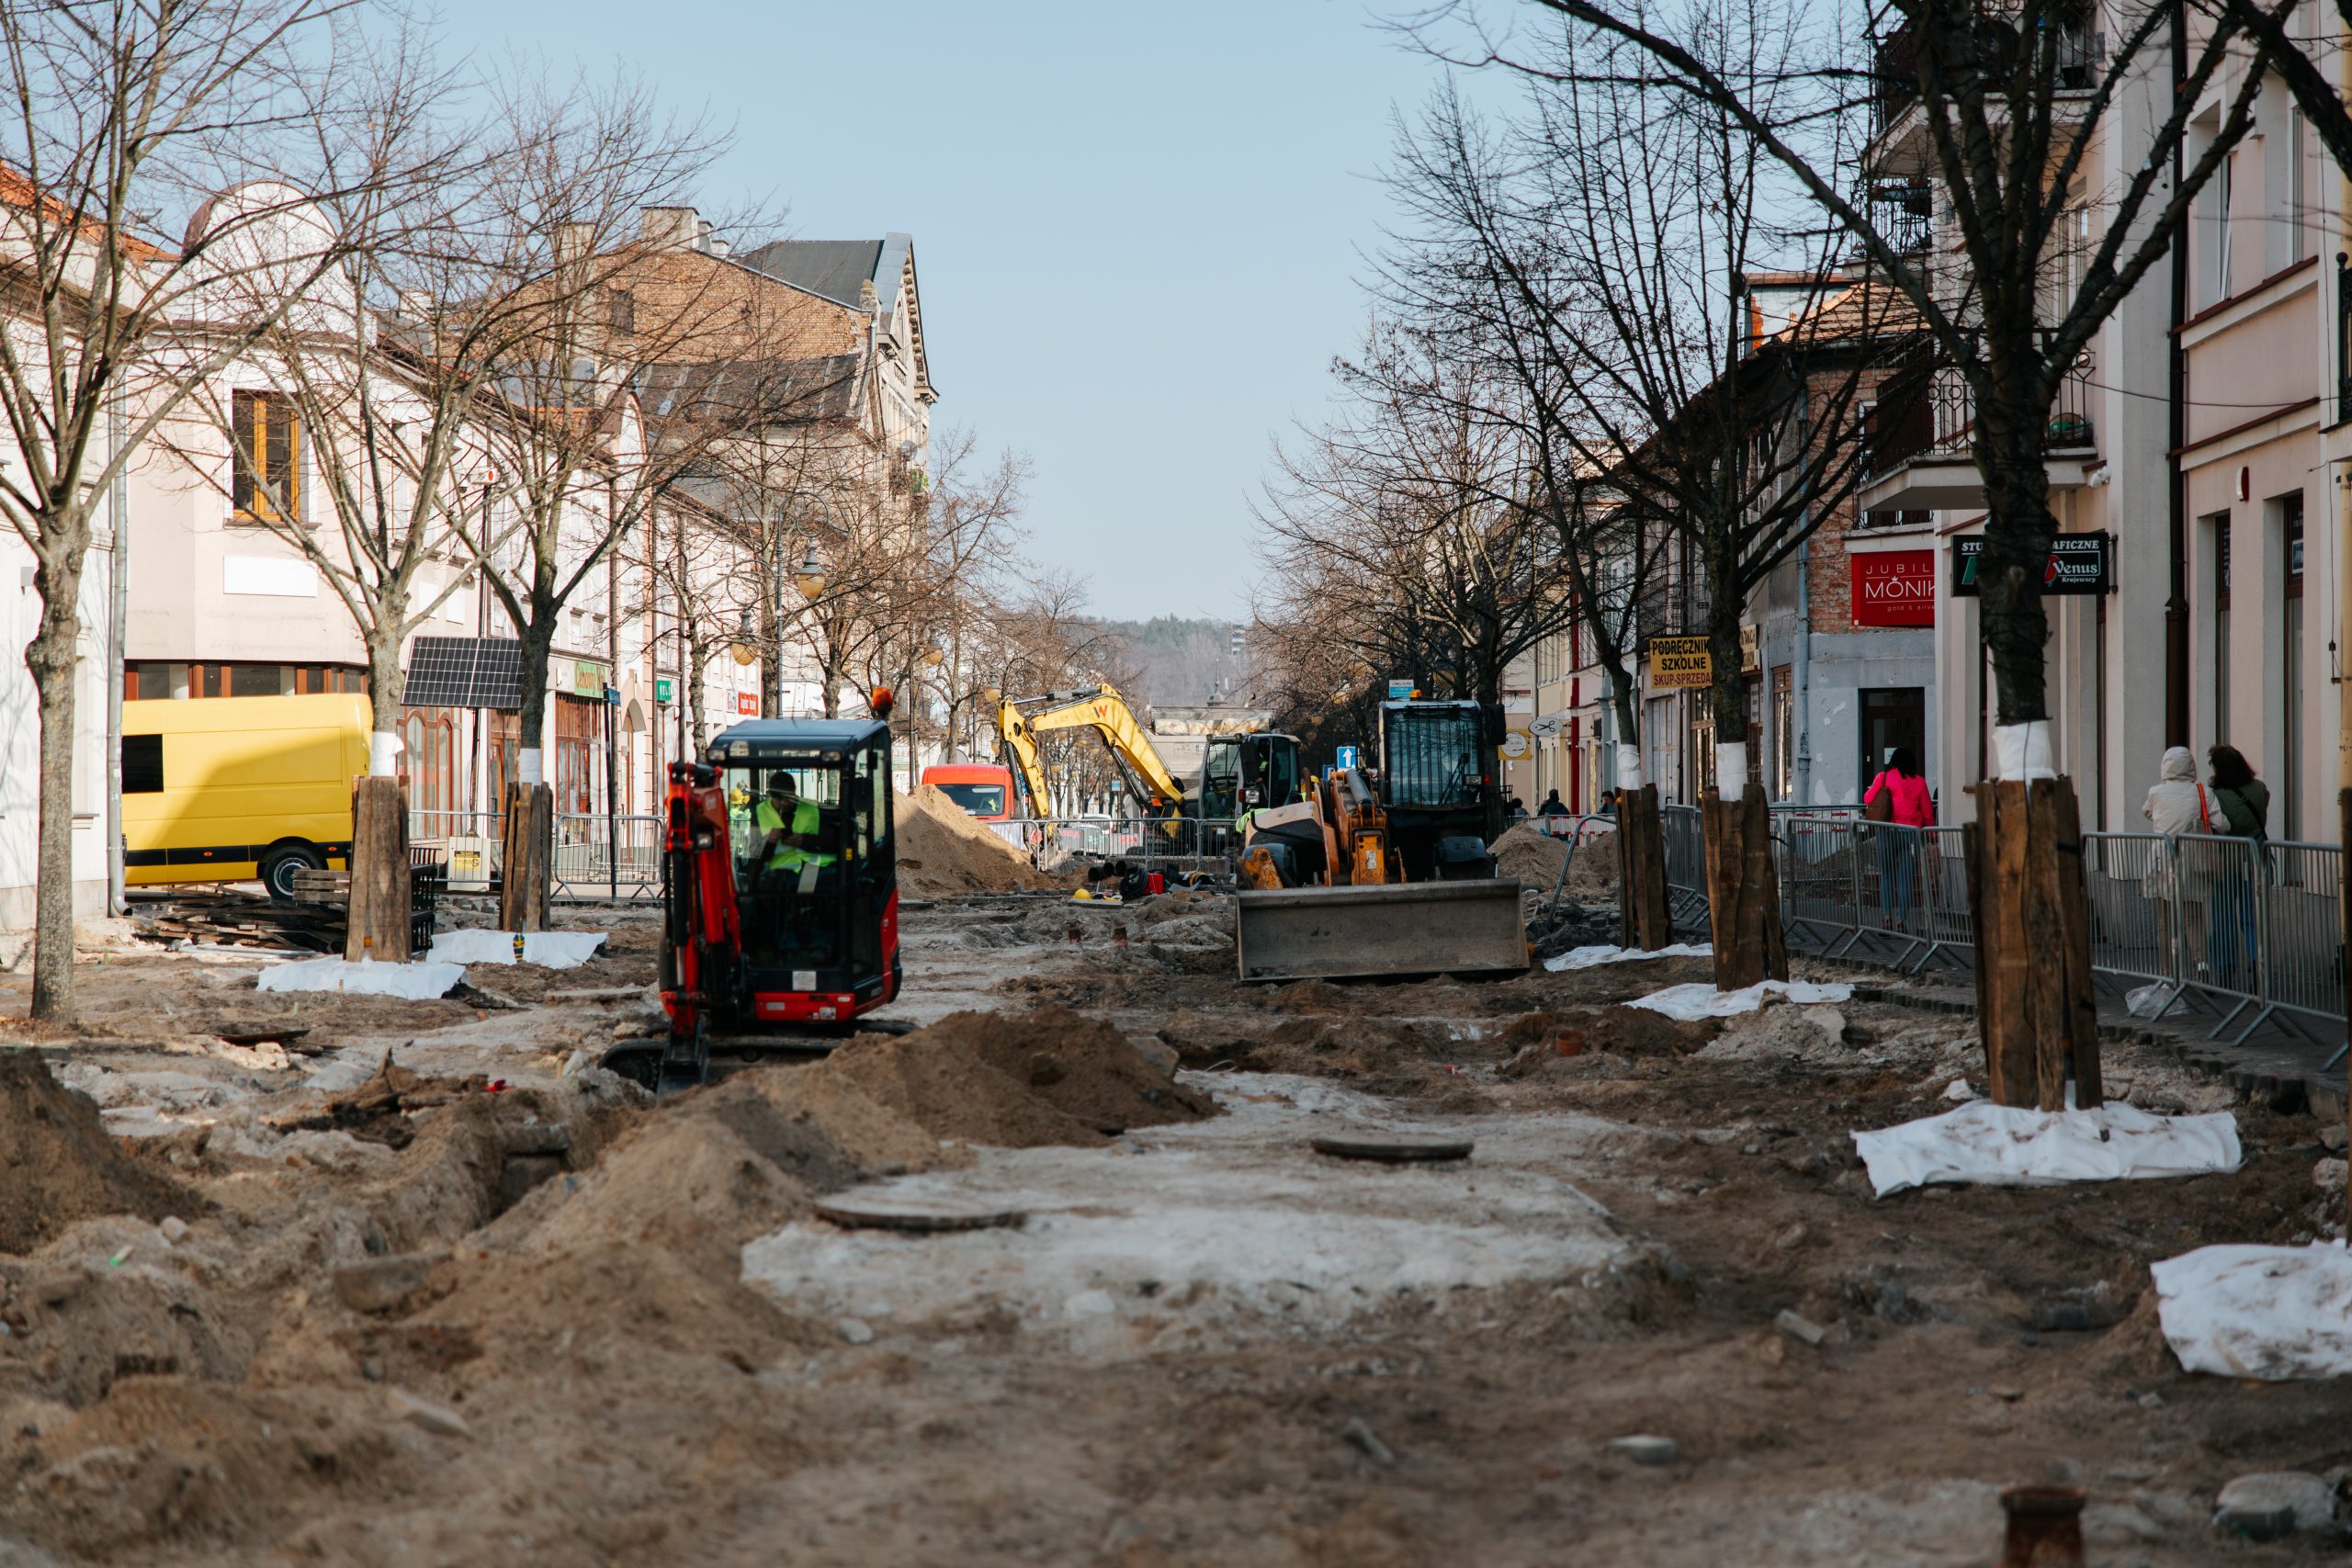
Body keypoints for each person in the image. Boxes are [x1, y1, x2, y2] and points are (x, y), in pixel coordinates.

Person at [2140, 745, 2214, 976]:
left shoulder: (2156, 792)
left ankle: (2167, 970)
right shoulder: (2202, 792)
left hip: (2161, 858)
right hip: (2192, 858)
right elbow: (2222, 823)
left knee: (2164, 919)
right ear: (2191, 766)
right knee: (2192, 916)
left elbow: (2147, 811)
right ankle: (2202, 964)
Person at [2205, 744, 2268, 987]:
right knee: (2252, 916)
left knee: (2223, 916)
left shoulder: (2214, 794)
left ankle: (2225, 968)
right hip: (2256, 858)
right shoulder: (2260, 788)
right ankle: (2257, 963)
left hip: (2226, 861)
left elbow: (2214, 822)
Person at [1862, 746, 1934, 931]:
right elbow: (1927, 812)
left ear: (1893, 761)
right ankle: (1902, 921)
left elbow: (1868, 798)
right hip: (1911, 836)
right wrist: (1932, 835)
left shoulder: (1883, 778)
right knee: (1906, 880)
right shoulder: (1919, 782)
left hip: (1887, 832)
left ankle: (1886, 919)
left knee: (1886, 877)